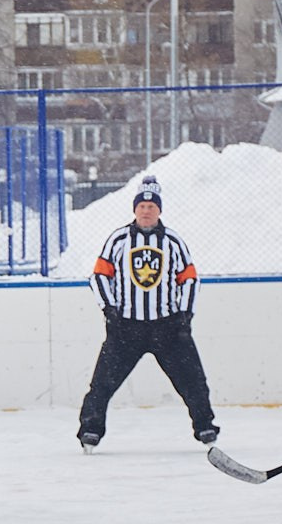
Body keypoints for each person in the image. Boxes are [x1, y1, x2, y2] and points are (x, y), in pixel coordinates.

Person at [75, 177, 217, 450]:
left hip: (169, 328)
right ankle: (90, 431)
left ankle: (205, 427)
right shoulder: (118, 239)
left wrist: (185, 315)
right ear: (135, 209)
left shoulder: (174, 241)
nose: (146, 210)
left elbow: (189, 279)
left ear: (159, 210)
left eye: (152, 206)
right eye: (142, 205)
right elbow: (100, 276)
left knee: (194, 381)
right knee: (102, 384)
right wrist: (109, 308)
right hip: (127, 328)